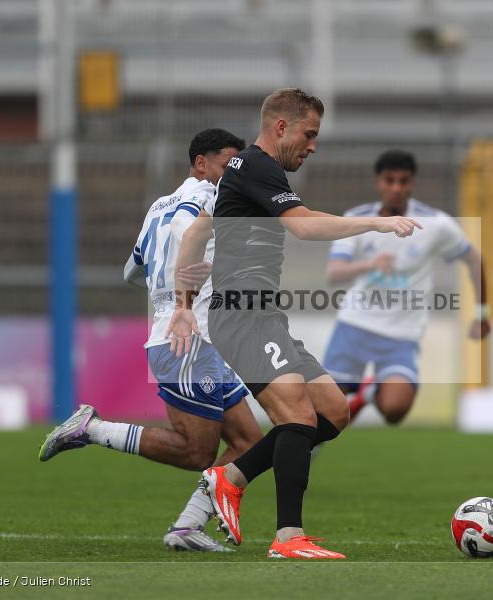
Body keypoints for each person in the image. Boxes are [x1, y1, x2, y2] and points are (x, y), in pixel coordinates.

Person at [167, 88, 421, 559]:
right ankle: (288, 538)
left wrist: (183, 304)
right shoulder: (259, 165)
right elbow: (303, 226)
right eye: (310, 134)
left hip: (262, 315)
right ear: (281, 127)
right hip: (243, 316)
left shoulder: (241, 171)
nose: (313, 145)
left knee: (333, 411)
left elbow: (197, 233)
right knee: (299, 416)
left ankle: (231, 476)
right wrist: (377, 225)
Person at [39, 128, 263, 552]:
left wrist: (165, 291)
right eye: (227, 163)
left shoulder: (156, 208)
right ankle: (93, 429)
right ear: (202, 163)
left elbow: (131, 270)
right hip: (186, 338)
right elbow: (193, 237)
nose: (234, 172)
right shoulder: (208, 199)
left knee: (249, 441)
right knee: (197, 452)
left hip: (188, 335)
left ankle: (187, 526)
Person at [322, 149, 490, 424]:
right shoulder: (356, 218)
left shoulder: (435, 224)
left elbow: (474, 261)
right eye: (390, 180)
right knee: (326, 411)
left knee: (395, 410)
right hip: (354, 326)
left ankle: (369, 391)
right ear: (379, 182)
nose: (396, 188)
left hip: (401, 334)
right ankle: (312, 446)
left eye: (403, 181)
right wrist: (370, 264)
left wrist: (482, 313)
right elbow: (334, 273)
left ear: (413, 183)